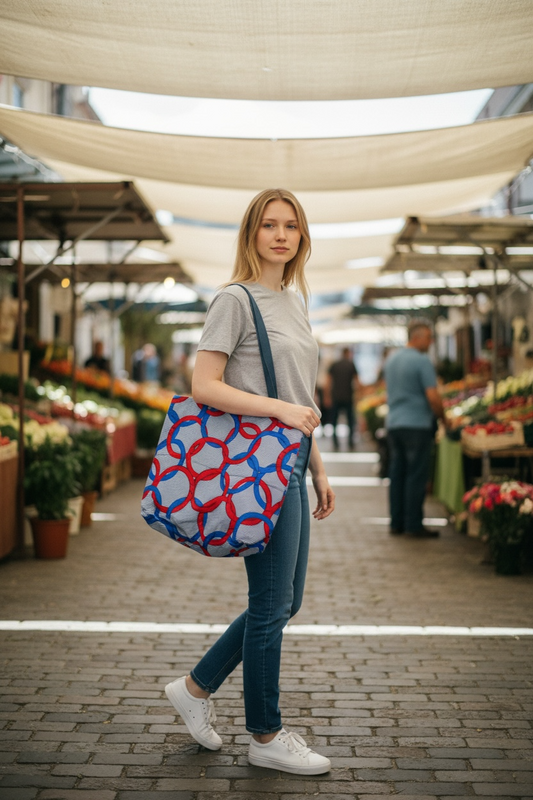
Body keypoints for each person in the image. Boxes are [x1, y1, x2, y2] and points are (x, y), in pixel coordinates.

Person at [163, 188, 335, 775]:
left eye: (292, 226)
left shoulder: (295, 302)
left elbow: (301, 397)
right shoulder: (235, 300)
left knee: (287, 601)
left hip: (290, 465)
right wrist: (279, 412)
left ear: (302, 237)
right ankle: (264, 735)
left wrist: (317, 467)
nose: (281, 235)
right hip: (256, 471)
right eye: (270, 225)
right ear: (252, 234)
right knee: (269, 604)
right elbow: (204, 384)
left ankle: (195, 687)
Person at [383, 322, 445, 538]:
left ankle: (396, 522)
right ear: (417, 337)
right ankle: (413, 525)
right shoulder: (422, 361)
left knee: (397, 473)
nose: (430, 342)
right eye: (428, 337)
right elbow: (433, 397)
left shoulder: (392, 360)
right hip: (417, 425)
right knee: (416, 475)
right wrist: (444, 418)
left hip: (394, 424)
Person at [325, 347, 359, 448]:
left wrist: (327, 396)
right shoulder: (351, 364)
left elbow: (328, 381)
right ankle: (351, 442)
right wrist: (357, 396)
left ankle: (335, 442)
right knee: (350, 420)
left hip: (336, 396)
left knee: (334, 421)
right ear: (348, 353)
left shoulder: (334, 365)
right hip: (348, 396)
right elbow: (356, 381)